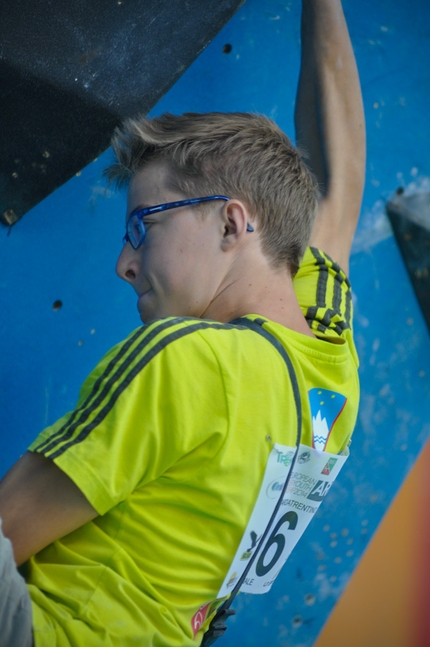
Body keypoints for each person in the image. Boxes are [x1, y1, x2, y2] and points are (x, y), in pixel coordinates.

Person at [0, 0, 365, 645]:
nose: (124, 264)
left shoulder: (184, 357)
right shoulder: (329, 371)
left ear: (231, 223)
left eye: (145, 225)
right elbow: (341, 181)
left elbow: (6, 529)